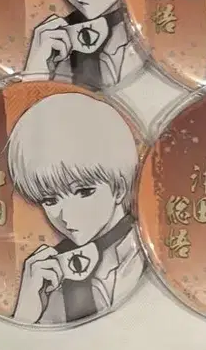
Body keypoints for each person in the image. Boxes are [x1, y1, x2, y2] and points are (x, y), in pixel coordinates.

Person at [8, 92, 142, 325]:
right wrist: (26, 311)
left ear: (119, 188)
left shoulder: (146, 253)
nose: (67, 216)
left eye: (84, 191)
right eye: (50, 200)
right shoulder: (49, 277)